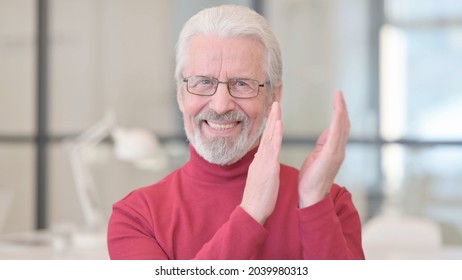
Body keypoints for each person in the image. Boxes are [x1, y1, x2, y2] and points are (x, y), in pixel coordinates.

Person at [107, 4, 365, 260]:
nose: (220, 106)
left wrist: (313, 203)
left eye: (242, 84)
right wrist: (251, 213)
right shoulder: (137, 217)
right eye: (204, 82)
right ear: (180, 95)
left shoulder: (329, 203)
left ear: (273, 97)